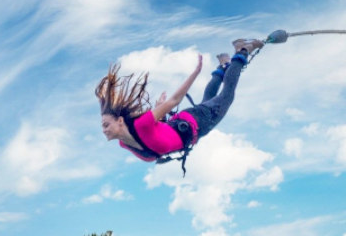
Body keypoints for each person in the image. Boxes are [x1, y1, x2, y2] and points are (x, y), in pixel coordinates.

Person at [97, 39, 264, 163]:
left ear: (120, 121)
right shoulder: (124, 144)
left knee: (226, 96)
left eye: (106, 125)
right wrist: (160, 118)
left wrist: (195, 73)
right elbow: (158, 137)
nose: (104, 130)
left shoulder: (142, 124)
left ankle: (242, 50)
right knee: (210, 99)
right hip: (189, 124)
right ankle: (224, 66)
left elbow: (175, 100)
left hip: (197, 122)